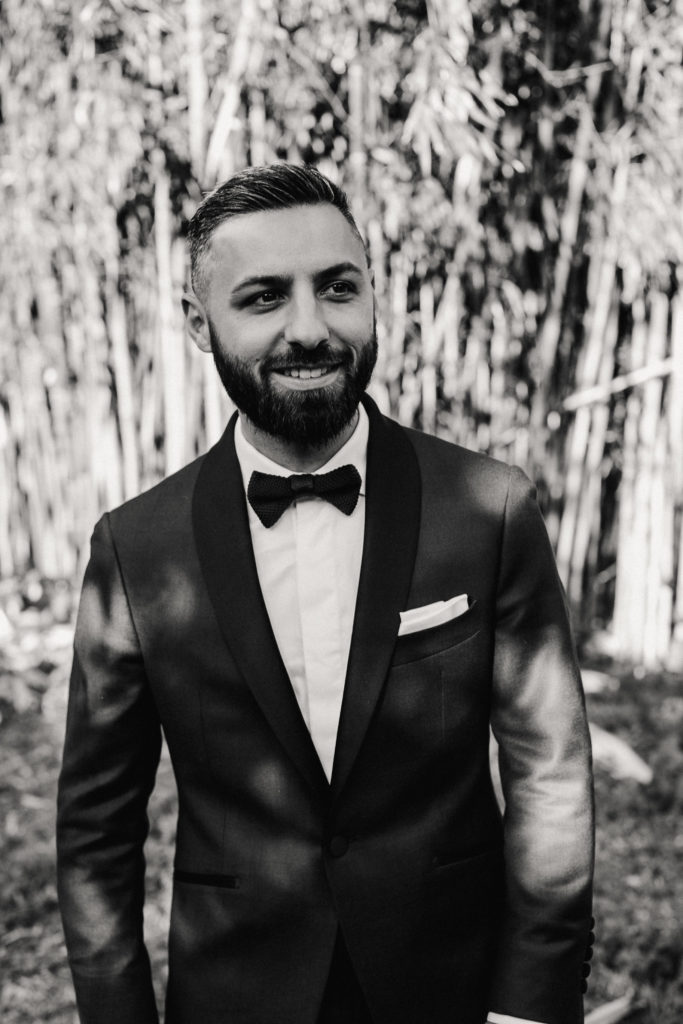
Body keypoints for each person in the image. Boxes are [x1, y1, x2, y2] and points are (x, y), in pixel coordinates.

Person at [57, 163, 594, 1024]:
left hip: (451, 989)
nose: (309, 328)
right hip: (235, 996)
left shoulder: (488, 509)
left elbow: (549, 776)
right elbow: (96, 831)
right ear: (198, 323)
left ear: (373, 295)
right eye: (264, 297)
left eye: (337, 287)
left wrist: (529, 1007)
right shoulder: (135, 548)